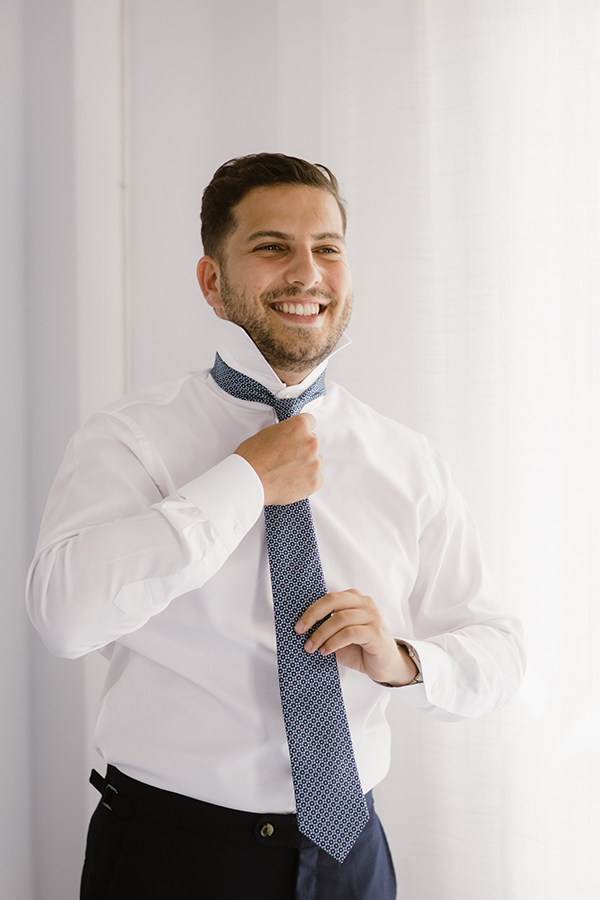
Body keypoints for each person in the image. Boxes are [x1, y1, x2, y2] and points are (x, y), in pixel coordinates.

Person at [27, 153, 525, 900]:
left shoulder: (408, 459)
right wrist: (242, 482)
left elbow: (500, 649)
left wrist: (403, 660)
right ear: (212, 282)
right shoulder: (129, 439)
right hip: (171, 856)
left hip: (351, 855)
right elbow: (64, 618)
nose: (307, 272)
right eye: (271, 247)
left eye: (327, 248)